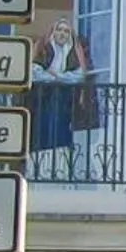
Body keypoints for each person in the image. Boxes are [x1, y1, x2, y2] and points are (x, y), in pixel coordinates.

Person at [28, 16, 94, 172]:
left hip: (64, 101)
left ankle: (61, 162)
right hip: (44, 98)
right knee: (44, 130)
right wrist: (60, 78)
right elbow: (35, 73)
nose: (62, 34)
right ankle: (41, 163)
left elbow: (78, 76)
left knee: (61, 130)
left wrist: (56, 75)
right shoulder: (44, 50)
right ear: (53, 33)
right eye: (59, 30)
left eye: (66, 31)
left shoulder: (72, 54)